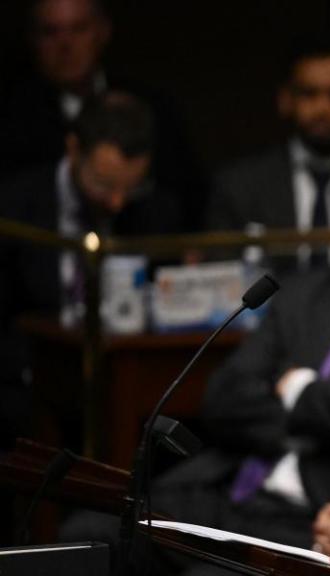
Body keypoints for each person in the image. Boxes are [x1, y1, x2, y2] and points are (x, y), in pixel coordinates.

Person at [58, 147, 330, 573]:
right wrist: (325, 419)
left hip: (315, 518)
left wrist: (295, 390)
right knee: (85, 538)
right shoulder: (302, 295)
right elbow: (224, 398)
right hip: (226, 489)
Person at [0, 92, 180, 447]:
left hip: (124, 385)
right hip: (26, 383)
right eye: (103, 184)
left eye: (130, 187)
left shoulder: (156, 209)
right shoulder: (13, 207)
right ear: (73, 149)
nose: (116, 201)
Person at [0, 0, 203, 228]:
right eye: (50, 32)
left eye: (78, 29)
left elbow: (187, 199)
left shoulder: (155, 109)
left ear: (103, 31)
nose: (65, 44)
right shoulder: (11, 122)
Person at [205, 34, 330, 276]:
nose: (323, 108)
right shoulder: (240, 186)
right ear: (285, 100)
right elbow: (220, 281)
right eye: (309, 94)